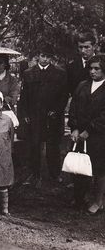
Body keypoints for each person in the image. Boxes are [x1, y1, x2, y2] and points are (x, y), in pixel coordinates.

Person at [18, 45, 68, 188]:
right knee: (34, 144)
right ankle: (35, 173)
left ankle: (55, 173)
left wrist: (57, 110)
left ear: (51, 58)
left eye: (48, 56)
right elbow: (24, 96)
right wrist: (25, 114)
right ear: (37, 56)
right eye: (42, 55)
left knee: (53, 145)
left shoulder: (59, 73)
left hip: (52, 115)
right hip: (34, 115)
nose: (45, 59)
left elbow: (64, 95)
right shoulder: (29, 73)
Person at [68, 55, 105, 215]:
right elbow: (73, 107)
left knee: (98, 169)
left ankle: (98, 200)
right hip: (80, 134)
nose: (93, 71)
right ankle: (80, 197)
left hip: (98, 135)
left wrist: (89, 130)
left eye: (97, 68)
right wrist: (75, 128)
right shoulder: (82, 85)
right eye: (90, 68)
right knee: (79, 165)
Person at [66, 31, 97, 210]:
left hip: (98, 116)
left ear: (94, 46)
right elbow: (71, 93)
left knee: (97, 157)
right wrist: (74, 123)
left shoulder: (100, 63)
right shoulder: (73, 66)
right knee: (79, 153)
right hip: (80, 114)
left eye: (87, 47)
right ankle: (80, 192)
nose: (84, 51)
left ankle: (95, 193)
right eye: (80, 47)